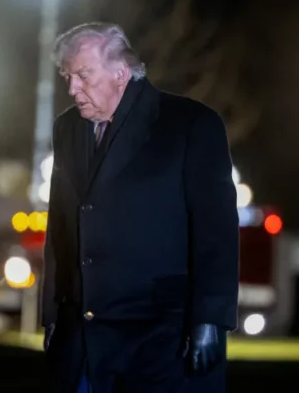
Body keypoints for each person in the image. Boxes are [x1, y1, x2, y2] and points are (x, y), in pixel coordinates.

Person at [41, 22, 239, 393]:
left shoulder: (192, 124)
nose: (72, 89)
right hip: (82, 337)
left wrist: (209, 319)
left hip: (163, 338)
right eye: (67, 76)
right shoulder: (66, 128)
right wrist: (52, 312)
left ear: (121, 72)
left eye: (83, 75)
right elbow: (60, 224)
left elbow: (216, 232)